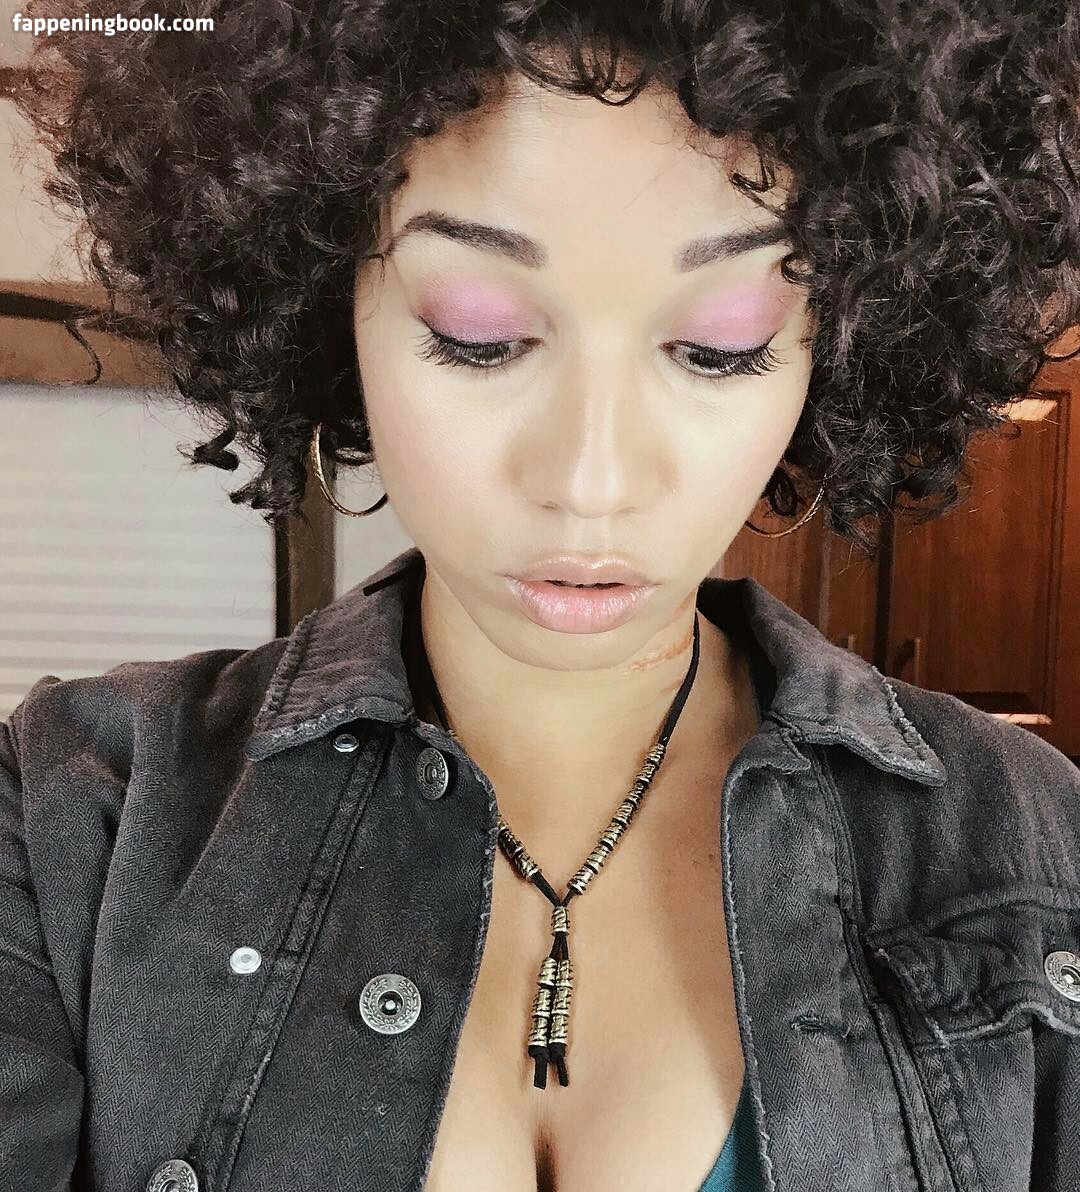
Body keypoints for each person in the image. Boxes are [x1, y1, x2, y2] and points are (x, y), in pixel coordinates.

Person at [6, 2, 1080, 1190]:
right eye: (479, 334)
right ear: (327, 300)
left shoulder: (1037, 843)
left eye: (720, 347)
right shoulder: (70, 817)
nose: (590, 482)